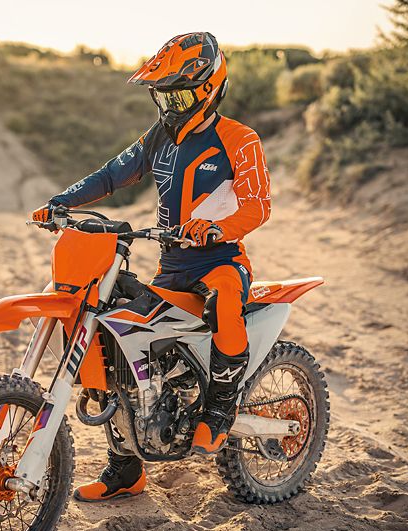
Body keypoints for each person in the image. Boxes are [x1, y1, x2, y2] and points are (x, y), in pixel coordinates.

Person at [31, 32, 272, 502]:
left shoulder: (239, 139)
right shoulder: (158, 138)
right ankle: (126, 470)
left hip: (221, 260)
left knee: (224, 298)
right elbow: (110, 176)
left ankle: (219, 413)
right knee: (112, 336)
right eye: (162, 95)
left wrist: (217, 229)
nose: (169, 105)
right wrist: (61, 202)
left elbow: (258, 205)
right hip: (172, 268)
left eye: (178, 95)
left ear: (208, 90)